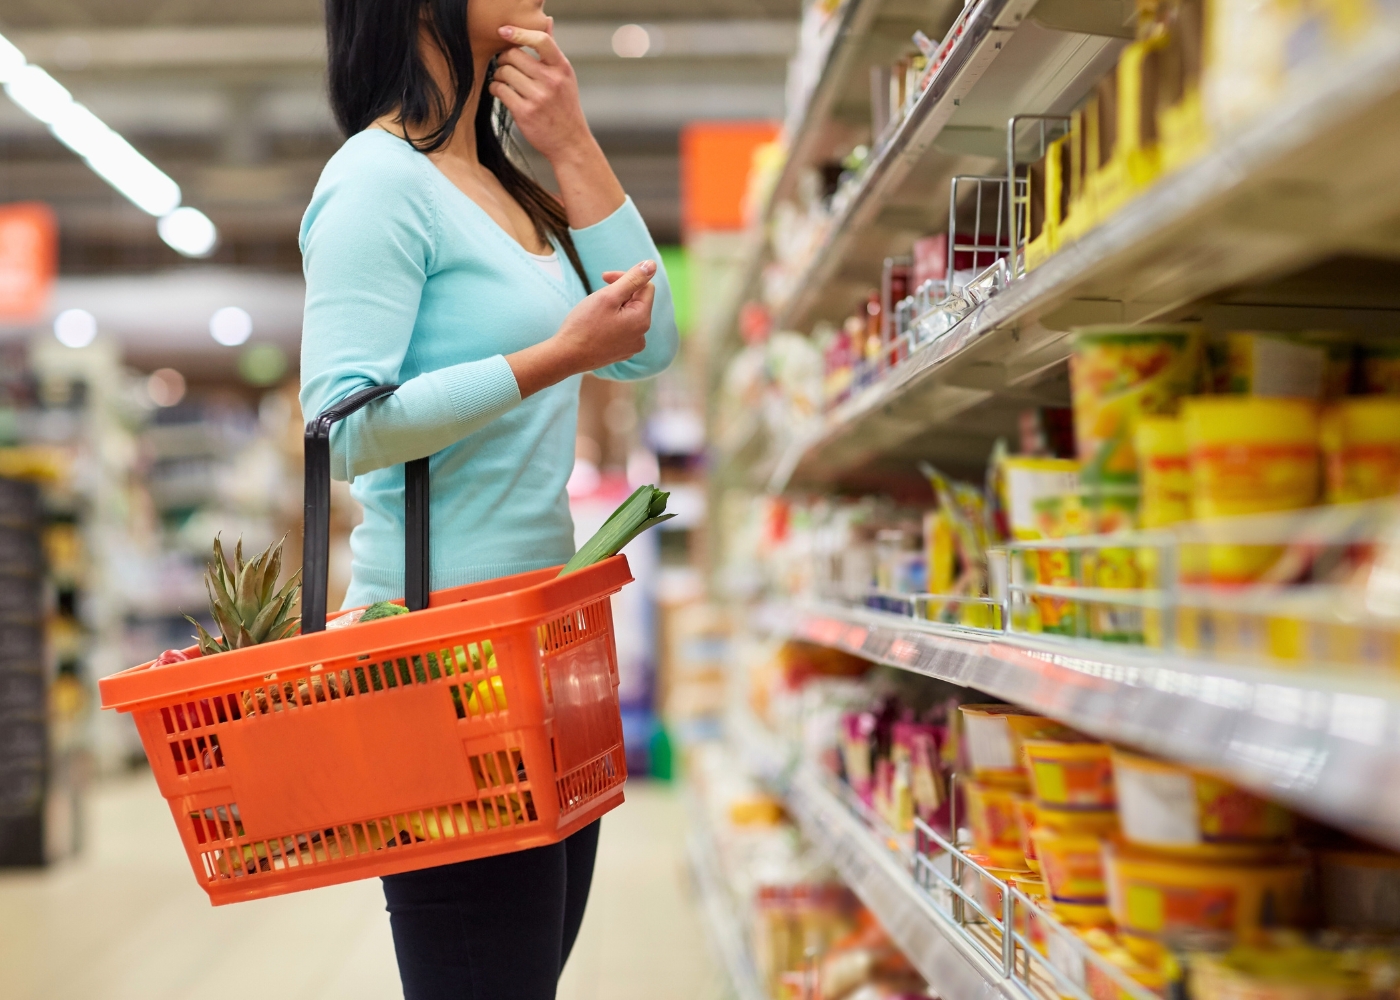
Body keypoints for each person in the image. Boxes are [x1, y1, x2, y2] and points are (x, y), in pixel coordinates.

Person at [298, 0, 678, 996]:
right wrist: (557, 356)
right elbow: (343, 429)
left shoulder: (507, 185)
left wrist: (572, 142)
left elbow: (651, 341)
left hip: (541, 646)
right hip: (439, 662)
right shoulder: (375, 180)